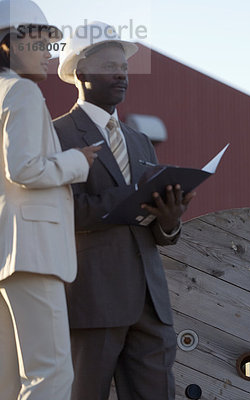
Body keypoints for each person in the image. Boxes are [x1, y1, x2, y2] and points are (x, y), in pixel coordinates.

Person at [53, 21, 195, 400]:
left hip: (150, 304)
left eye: (125, 67)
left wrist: (169, 220)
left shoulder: (140, 141)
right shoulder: (57, 135)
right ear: (82, 73)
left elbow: (157, 231)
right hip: (92, 301)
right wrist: (128, 197)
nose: (121, 75)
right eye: (110, 67)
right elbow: (60, 212)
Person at [0, 1, 100, 398]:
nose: (49, 54)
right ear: (9, 44)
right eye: (40, 43)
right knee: (52, 374)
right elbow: (23, 169)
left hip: (8, 256)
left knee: (7, 381)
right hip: (33, 253)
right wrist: (77, 161)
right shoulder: (21, 91)